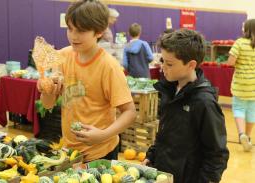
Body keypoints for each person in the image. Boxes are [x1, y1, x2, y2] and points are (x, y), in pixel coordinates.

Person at [37, 0, 136, 162]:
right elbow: (48, 104)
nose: (73, 36)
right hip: (70, 151)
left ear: (99, 32)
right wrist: (47, 88)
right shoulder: (63, 56)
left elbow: (130, 112)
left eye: (81, 31)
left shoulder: (109, 66)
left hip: (101, 151)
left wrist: (103, 135)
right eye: (70, 29)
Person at [142, 29, 229, 183]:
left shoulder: (204, 102)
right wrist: (152, 156)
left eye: (169, 64)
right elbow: (164, 133)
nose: (163, 68)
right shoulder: (169, 90)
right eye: (162, 61)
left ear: (191, 65)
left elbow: (217, 153)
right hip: (163, 173)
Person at [226, 19, 255, 152]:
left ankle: (242, 134)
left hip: (240, 84)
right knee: (252, 111)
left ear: (246, 29)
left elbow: (231, 62)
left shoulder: (239, 43)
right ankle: (248, 137)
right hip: (254, 85)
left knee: (239, 109)